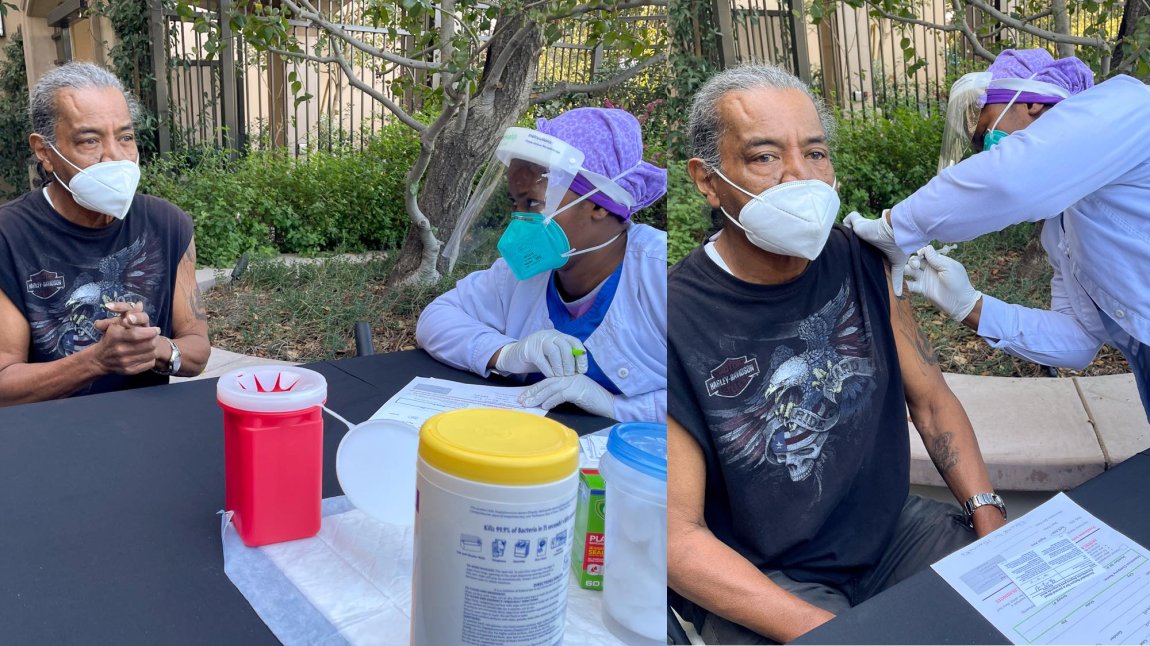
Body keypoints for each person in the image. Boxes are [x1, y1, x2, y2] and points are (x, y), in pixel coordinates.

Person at [667, 64, 1005, 644]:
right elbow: (677, 536)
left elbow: (931, 403)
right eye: (765, 156)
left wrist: (990, 517)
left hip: (892, 534)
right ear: (708, 180)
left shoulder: (859, 260)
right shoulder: (674, 319)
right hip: (770, 574)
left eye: (816, 153)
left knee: (1027, 598)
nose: (801, 176)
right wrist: (840, 633)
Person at [844, 48, 1150, 421]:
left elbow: (1013, 181)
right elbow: (1078, 341)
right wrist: (969, 305)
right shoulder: (1064, 230)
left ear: (1034, 103)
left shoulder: (1127, 106)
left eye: (987, 130)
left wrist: (897, 226)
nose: (988, 151)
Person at [416, 107, 667, 422]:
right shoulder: (524, 273)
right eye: (515, 203)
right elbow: (435, 319)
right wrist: (507, 354)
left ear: (598, 204)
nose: (518, 219)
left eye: (532, 203)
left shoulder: (664, 273)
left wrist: (618, 408)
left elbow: (723, 390)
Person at [0, 62, 209, 404]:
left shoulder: (168, 224)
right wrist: (96, 361)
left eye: (125, 137)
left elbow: (197, 350)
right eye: (89, 140)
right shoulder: (8, 236)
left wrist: (154, 346)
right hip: (45, 435)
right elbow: (4, 385)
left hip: (143, 426)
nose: (115, 156)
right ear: (44, 152)